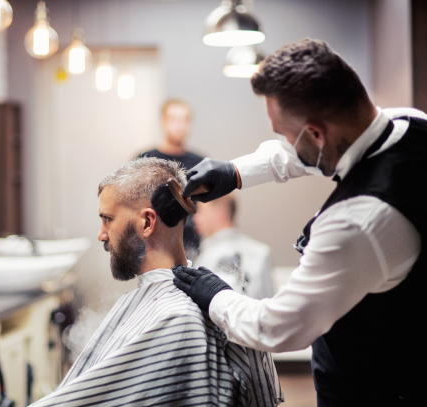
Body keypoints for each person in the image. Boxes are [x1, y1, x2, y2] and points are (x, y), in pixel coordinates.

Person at [173, 38, 427, 406]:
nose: (285, 144)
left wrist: (217, 296)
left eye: (285, 133)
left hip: (377, 390)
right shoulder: (413, 124)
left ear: (317, 133)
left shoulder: (358, 224)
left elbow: (277, 327)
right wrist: (236, 171)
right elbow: (301, 153)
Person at [30, 158, 283, 407]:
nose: (101, 234)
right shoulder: (182, 303)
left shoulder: (175, 318)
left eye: (107, 218)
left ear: (148, 222)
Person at [138, 99, 205, 258]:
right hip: (152, 244)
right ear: (163, 121)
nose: (179, 126)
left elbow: (207, 207)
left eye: (185, 120)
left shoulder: (201, 163)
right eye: (174, 119)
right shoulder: (145, 160)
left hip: (190, 246)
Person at [194, 193, 273, 299]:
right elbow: (269, 306)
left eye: (201, 211)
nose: (195, 218)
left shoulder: (207, 256)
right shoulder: (262, 252)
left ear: (221, 216)